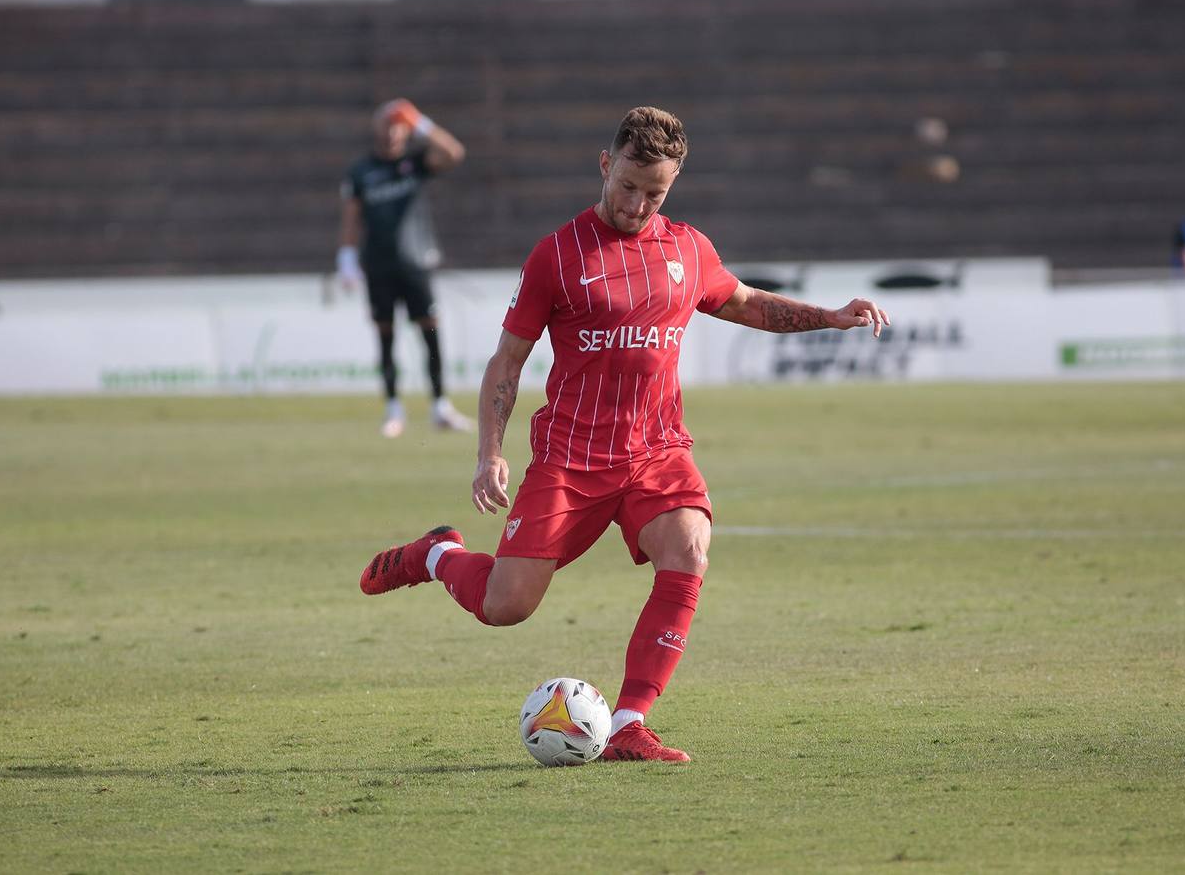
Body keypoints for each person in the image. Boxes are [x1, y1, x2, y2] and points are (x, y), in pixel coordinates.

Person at [358, 107, 890, 762]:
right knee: (506, 606)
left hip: (657, 451)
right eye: (629, 187)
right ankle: (436, 554)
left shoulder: (688, 249)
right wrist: (489, 452)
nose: (639, 205)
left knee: (689, 547)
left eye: (656, 194)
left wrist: (830, 317)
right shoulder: (557, 255)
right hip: (571, 461)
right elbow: (508, 360)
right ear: (606, 165)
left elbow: (747, 302)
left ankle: (631, 723)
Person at [337, 98, 473, 437]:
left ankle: (440, 404)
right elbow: (351, 218)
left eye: (399, 125)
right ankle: (393, 407)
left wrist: (420, 122)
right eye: (387, 124)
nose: (392, 132)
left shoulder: (416, 163)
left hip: (416, 262)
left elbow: (454, 152)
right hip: (379, 266)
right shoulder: (361, 172)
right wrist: (346, 257)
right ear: (377, 130)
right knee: (386, 335)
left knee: (430, 331)